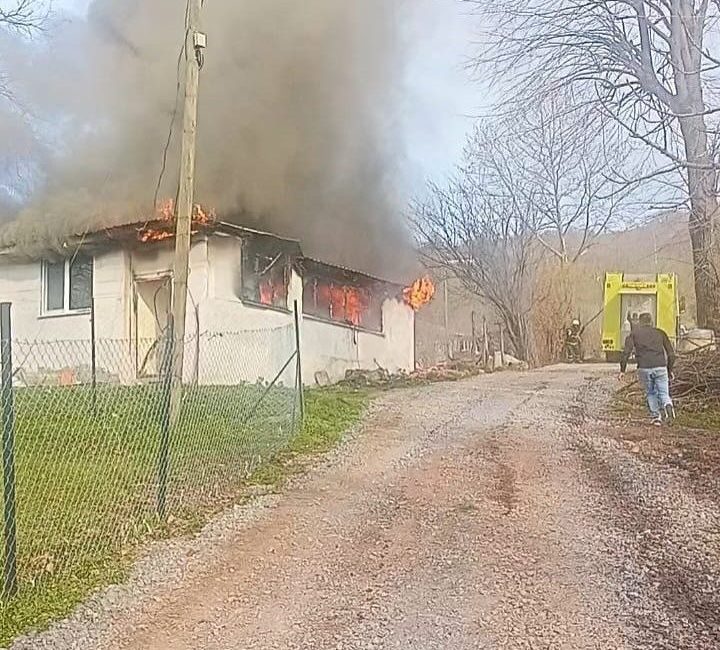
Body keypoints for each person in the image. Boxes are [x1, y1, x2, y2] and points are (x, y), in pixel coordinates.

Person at [619, 312, 676, 426]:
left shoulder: (634, 334)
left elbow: (625, 353)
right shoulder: (661, 333)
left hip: (644, 367)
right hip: (660, 367)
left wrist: (622, 370)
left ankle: (657, 417)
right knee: (664, 393)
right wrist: (669, 370)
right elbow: (671, 354)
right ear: (651, 321)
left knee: (651, 392)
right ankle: (668, 406)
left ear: (640, 322)